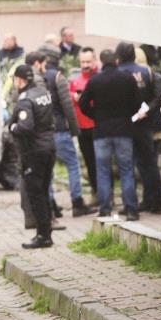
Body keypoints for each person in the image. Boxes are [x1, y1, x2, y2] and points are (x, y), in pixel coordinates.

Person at [79, 50, 142, 220]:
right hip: (123, 130)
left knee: (102, 171)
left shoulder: (95, 80)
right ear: (116, 61)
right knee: (126, 170)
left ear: (101, 61)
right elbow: (138, 103)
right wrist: (127, 115)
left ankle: (105, 209)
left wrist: (95, 115)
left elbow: (82, 103)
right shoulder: (127, 78)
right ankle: (131, 209)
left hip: (101, 131)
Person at [40, 46, 95, 217]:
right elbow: (67, 105)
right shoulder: (58, 77)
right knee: (72, 164)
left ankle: (51, 205)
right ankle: (77, 202)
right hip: (59, 129)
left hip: (44, 131)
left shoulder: (38, 77)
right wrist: (74, 129)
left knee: (48, 169)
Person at [8, 65, 56, 249]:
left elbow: (25, 127)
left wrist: (13, 127)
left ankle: (43, 235)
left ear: (19, 80)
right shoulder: (43, 93)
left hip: (34, 152)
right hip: (49, 147)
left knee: (35, 194)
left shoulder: (25, 100)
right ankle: (47, 232)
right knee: (44, 190)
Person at [116, 42, 161, 214]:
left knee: (131, 166)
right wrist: (146, 111)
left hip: (126, 125)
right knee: (149, 164)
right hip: (145, 125)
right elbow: (159, 96)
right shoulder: (149, 73)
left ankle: (136, 203)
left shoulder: (119, 73)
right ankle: (155, 202)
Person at [70, 48, 100, 198]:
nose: (85, 65)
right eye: (82, 62)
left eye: (88, 61)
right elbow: (68, 99)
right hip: (81, 128)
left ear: (94, 61)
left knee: (100, 162)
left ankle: (105, 194)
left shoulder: (99, 78)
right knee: (89, 163)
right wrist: (73, 97)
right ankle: (96, 192)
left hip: (96, 126)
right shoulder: (75, 80)